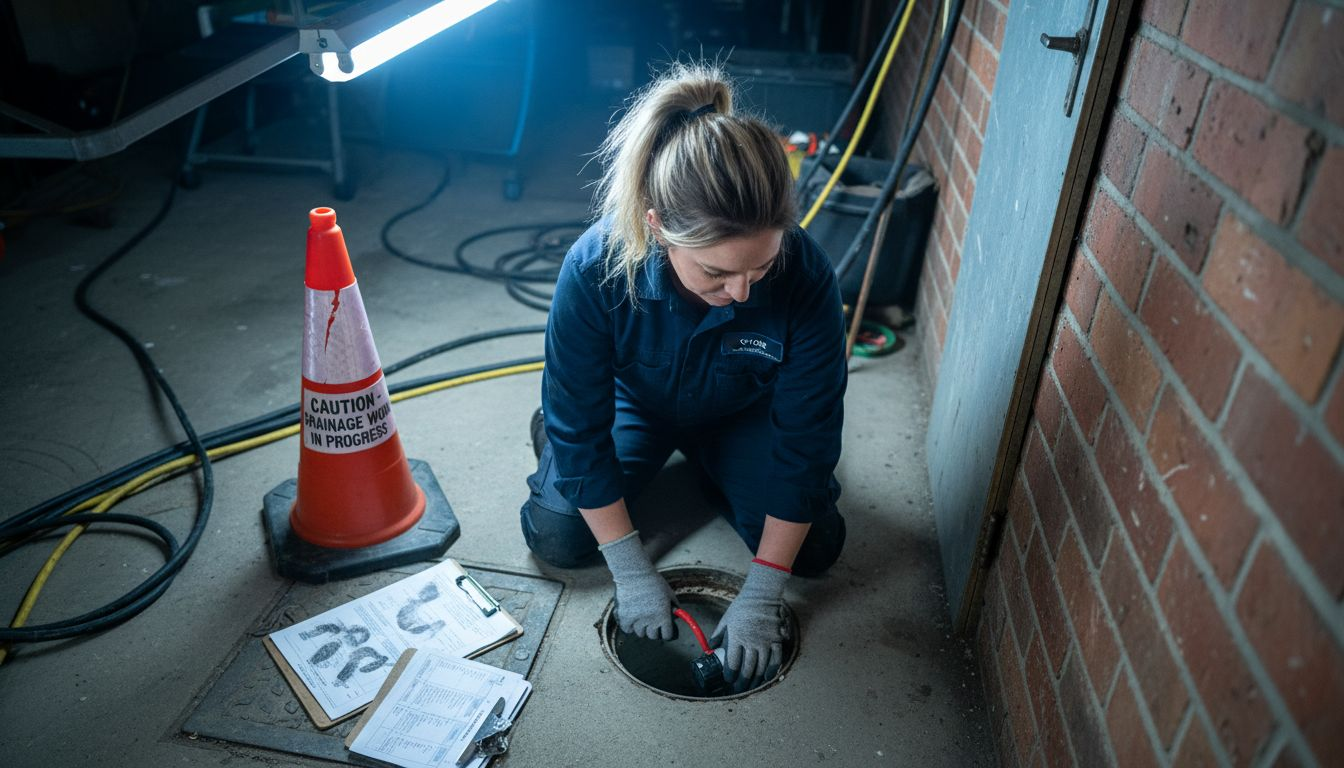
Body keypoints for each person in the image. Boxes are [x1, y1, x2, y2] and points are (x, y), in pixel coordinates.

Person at [519, 62, 847, 692]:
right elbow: (580, 422)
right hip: (633, 405)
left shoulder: (806, 275)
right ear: (657, 228)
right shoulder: (594, 269)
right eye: (716, 273)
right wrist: (629, 568)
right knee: (559, 535)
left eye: (759, 268)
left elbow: (809, 440)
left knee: (815, 549)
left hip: (743, 409)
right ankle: (563, 451)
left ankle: (713, 463)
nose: (743, 292)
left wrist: (763, 591)